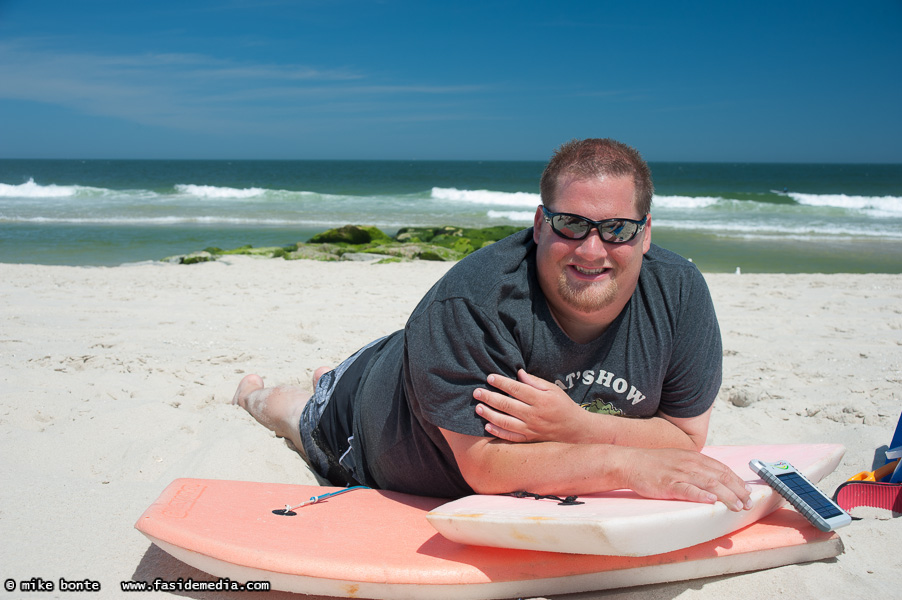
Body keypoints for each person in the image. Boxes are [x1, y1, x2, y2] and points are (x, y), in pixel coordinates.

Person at [234, 138, 752, 511]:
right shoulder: (472, 300)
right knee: (292, 410)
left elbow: (686, 436)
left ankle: (333, 373)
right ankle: (261, 394)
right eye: (572, 224)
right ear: (539, 223)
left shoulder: (679, 293)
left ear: (645, 233)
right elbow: (484, 467)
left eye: (617, 229)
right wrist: (626, 463)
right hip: (360, 428)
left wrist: (578, 426)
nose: (592, 250)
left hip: (423, 367)